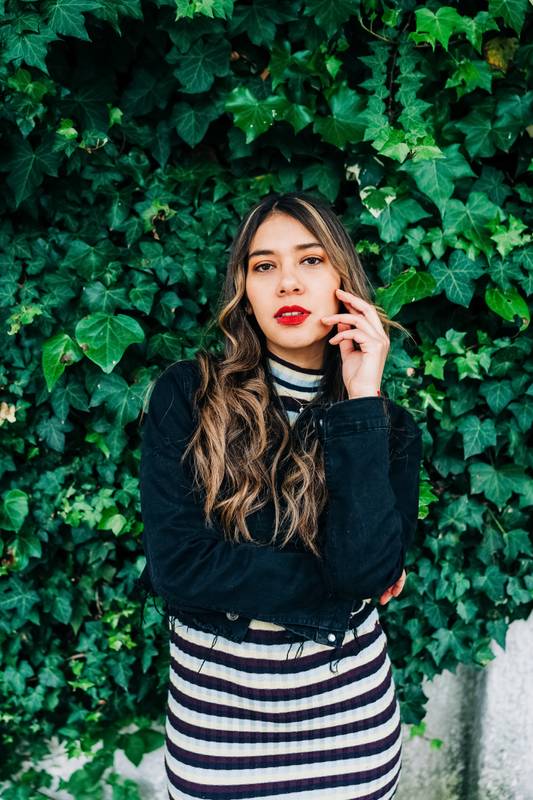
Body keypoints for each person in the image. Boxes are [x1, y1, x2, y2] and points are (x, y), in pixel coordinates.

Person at [137, 192, 423, 800]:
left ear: (344, 279)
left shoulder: (386, 427)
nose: (287, 282)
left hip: (352, 732)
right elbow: (180, 566)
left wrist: (362, 398)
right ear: (244, 287)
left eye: (311, 260)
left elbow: (367, 568)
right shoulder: (187, 397)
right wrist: (337, 589)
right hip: (218, 732)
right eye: (264, 265)